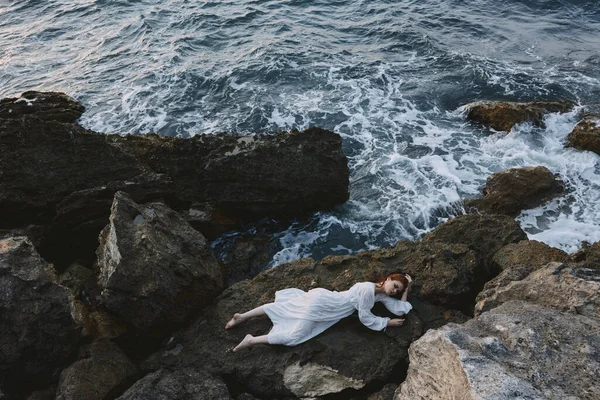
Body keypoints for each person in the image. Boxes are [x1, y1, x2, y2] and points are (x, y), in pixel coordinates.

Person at [225, 273, 413, 351]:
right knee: (293, 336)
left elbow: (399, 309)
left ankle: (242, 316)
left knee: (283, 308)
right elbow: (365, 316)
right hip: (324, 306)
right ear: (387, 279)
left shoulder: (378, 293)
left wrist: (406, 289)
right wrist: (386, 322)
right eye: (395, 285)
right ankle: (251, 340)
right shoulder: (367, 290)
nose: (394, 291)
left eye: (397, 290)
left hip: (323, 297)